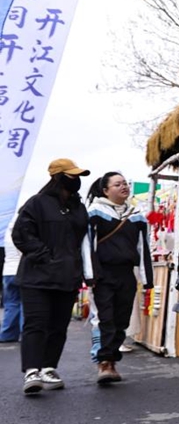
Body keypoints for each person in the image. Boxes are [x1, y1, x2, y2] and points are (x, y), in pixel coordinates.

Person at [12, 158, 90, 394]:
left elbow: (83, 241)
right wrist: (45, 256)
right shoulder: (36, 203)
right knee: (36, 324)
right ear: (57, 177)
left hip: (68, 277)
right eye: (71, 175)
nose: (75, 180)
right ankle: (31, 371)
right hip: (37, 277)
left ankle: (49, 367)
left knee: (59, 325)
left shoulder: (79, 207)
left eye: (78, 176)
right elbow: (21, 234)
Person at [84, 172, 153, 383]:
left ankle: (112, 358)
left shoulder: (137, 215)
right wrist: (90, 275)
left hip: (126, 274)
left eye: (125, 183)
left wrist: (147, 278)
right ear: (106, 190)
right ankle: (105, 363)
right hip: (103, 274)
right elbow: (87, 245)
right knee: (106, 318)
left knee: (121, 319)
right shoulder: (95, 212)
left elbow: (143, 248)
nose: (123, 186)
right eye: (117, 184)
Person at [0, 220, 23, 342]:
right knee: (25, 304)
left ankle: (7, 334)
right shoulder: (21, 231)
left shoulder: (8, 234)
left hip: (7, 272)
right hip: (20, 271)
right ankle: (25, 333)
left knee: (11, 304)